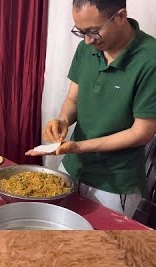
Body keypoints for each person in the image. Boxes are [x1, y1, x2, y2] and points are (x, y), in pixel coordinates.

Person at [36, 0, 156, 218]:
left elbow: (142, 133)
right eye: (80, 32)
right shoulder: (86, 48)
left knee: (102, 247)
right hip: (73, 167)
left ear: (121, 16)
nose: (88, 40)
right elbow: (73, 99)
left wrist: (79, 146)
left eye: (93, 31)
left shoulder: (150, 59)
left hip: (115, 181)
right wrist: (62, 120)